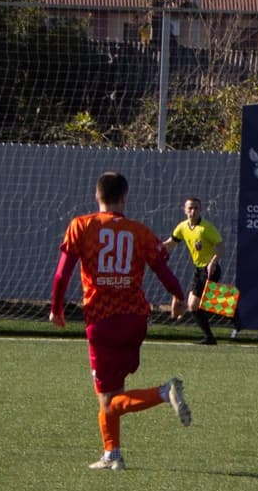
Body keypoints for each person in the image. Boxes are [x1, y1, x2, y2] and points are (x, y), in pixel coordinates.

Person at [49, 171, 191, 471]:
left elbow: (62, 273)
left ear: (96, 196)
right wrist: (178, 297)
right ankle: (112, 453)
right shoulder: (139, 232)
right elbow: (163, 271)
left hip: (103, 322)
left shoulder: (81, 226)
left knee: (108, 399)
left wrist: (57, 308)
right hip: (136, 321)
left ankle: (164, 392)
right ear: (124, 197)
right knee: (113, 391)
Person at [170, 196, 225, 344]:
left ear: (200, 210)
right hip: (198, 269)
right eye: (190, 208)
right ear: (184, 210)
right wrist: (154, 248)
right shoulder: (182, 227)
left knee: (195, 304)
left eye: (196, 208)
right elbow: (171, 243)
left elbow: (220, 247)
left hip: (210, 269)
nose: (193, 211)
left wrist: (213, 262)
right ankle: (212, 334)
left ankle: (212, 334)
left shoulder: (206, 228)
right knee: (195, 305)